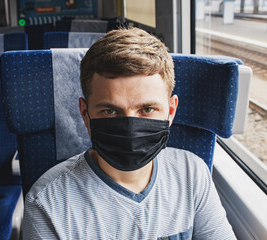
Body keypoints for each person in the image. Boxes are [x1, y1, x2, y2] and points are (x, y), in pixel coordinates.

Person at [23, 27, 236, 239]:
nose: (130, 126)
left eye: (147, 109)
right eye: (110, 111)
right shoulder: (47, 203)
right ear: (85, 113)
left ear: (170, 111)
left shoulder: (192, 174)